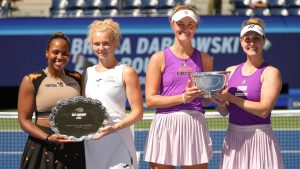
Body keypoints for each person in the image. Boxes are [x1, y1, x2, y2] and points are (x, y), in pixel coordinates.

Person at [143, 4, 214, 169]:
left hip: (194, 124)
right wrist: (183, 97)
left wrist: (211, 96)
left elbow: (206, 101)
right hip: (165, 124)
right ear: (172, 24)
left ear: (195, 27)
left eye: (190, 24)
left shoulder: (206, 59)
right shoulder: (158, 58)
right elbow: (151, 100)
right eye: (180, 24)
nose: (185, 28)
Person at [213, 18, 284, 169]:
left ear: (263, 41)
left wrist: (230, 97)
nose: (252, 43)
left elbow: (264, 110)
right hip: (233, 137)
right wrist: (219, 101)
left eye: (256, 38)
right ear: (241, 41)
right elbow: (225, 111)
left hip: (260, 138)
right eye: (247, 39)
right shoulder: (231, 71)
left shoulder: (271, 72)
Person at [18, 32, 85, 169]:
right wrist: (47, 137)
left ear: (69, 56)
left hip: (73, 145)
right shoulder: (31, 80)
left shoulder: (77, 78)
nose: (60, 57)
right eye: (55, 52)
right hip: (42, 145)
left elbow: (84, 112)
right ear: (47, 53)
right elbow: (24, 120)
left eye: (64, 53)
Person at [82, 19, 143, 169]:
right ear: (91, 45)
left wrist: (113, 128)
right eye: (97, 43)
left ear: (115, 43)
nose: (101, 48)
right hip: (92, 142)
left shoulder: (126, 71)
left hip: (119, 141)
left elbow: (138, 113)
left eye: (106, 43)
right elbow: (83, 109)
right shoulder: (86, 73)